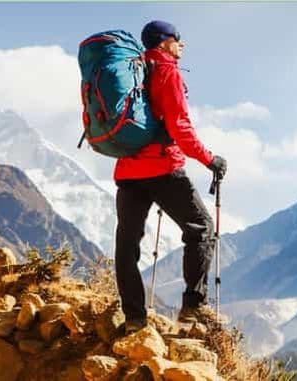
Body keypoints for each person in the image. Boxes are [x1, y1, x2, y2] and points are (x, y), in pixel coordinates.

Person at [114, 20, 227, 332]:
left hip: (127, 170)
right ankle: (193, 308)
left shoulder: (130, 70)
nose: (182, 44)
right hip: (163, 168)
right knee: (201, 228)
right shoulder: (167, 72)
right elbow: (179, 126)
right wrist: (210, 159)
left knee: (127, 245)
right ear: (164, 42)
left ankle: (134, 318)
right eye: (178, 39)